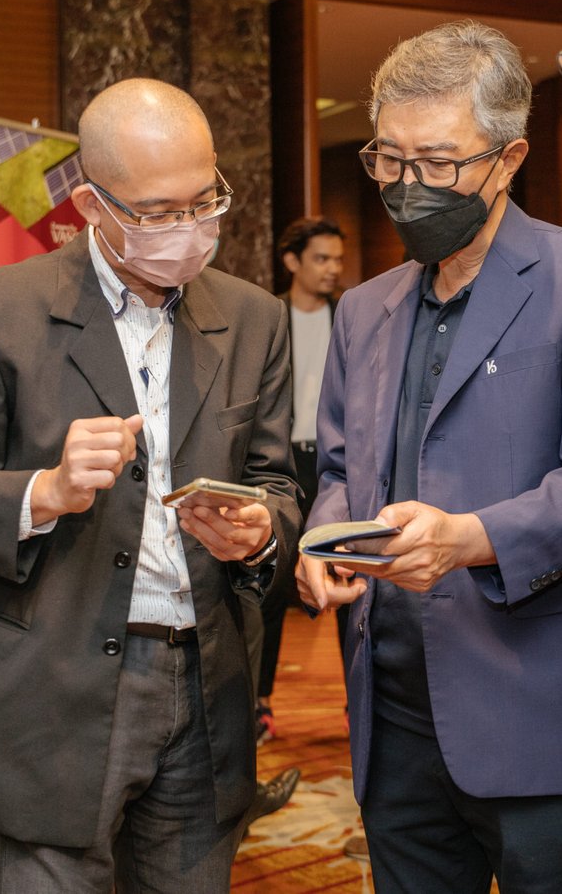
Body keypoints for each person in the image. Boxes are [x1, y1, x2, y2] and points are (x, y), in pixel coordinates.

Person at [0, 78, 302, 894]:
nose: (189, 228)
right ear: (90, 205)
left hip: (205, 690)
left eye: (204, 201)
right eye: (157, 211)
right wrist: (42, 490)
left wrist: (261, 531)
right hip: (44, 693)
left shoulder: (255, 318)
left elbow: (276, 482)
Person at [295, 20, 562, 894]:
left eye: (438, 163)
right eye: (390, 159)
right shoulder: (364, 309)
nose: (408, 186)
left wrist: (470, 537)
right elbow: (338, 467)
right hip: (392, 712)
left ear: (508, 158)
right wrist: (327, 539)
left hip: (535, 703)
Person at [244, 217, 345, 743]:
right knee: (272, 580)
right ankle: (258, 702)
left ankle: (357, 701)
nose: (333, 269)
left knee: (347, 575)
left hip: (334, 463)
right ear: (292, 262)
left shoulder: (347, 316)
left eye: (337, 259)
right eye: (321, 258)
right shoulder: (268, 317)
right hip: (281, 463)